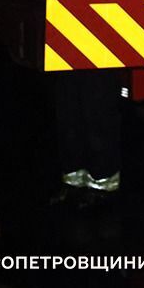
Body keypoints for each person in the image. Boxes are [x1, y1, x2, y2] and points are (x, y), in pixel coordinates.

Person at [51, 69, 123, 209]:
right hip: (68, 64)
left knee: (98, 122)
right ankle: (73, 184)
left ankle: (102, 188)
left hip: (99, 66)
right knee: (71, 122)